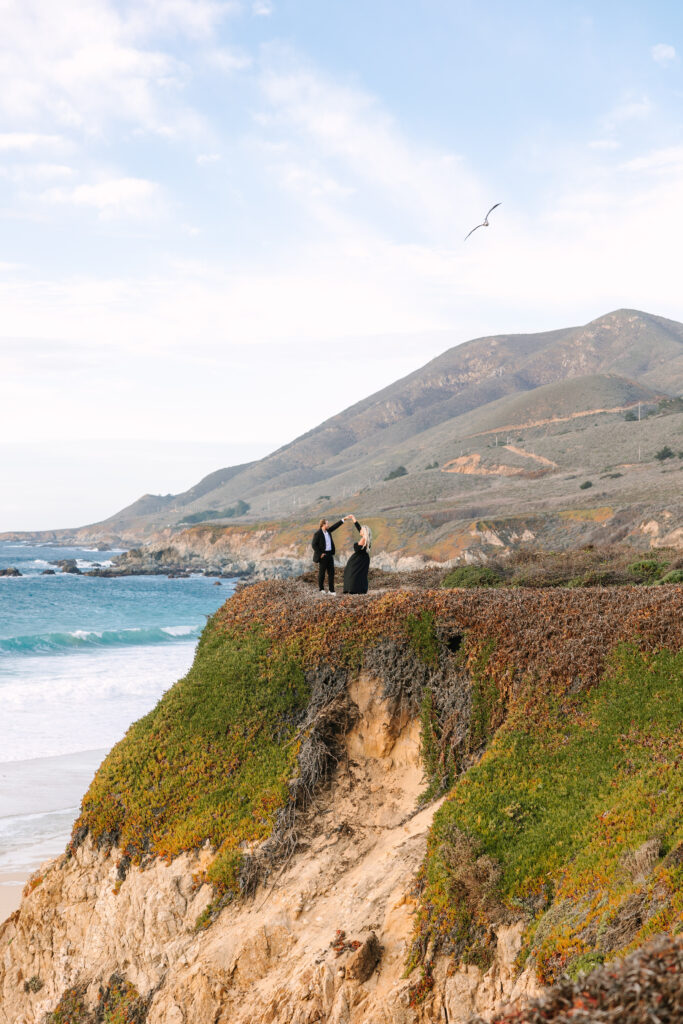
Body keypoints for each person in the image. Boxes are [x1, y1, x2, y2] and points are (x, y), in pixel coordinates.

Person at [311, 516, 344, 594]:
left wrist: (343, 520)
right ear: (323, 524)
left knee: (331, 573)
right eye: (327, 524)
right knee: (322, 573)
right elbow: (313, 545)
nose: (328, 525)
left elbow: (335, 526)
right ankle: (321, 589)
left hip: (330, 555)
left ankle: (331, 590)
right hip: (323, 556)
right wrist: (320, 554)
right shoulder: (317, 533)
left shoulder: (328, 531)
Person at [342, 515, 372, 595]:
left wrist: (353, 519)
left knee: (352, 572)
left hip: (358, 560)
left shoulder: (363, 540)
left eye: (361, 530)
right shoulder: (367, 539)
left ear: (364, 532)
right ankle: (359, 589)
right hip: (363, 559)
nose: (360, 531)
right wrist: (354, 519)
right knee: (360, 574)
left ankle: (352, 588)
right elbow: (359, 528)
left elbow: (357, 549)